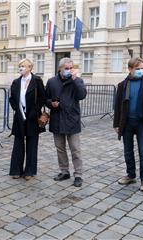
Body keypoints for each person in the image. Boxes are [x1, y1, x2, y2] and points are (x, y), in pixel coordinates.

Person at [114, 57, 143, 192]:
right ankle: (131, 175)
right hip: (127, 123)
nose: (140, 71)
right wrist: (116, 124)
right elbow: (118, 106)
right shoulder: (122, 85)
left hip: (142, 123)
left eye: (142, 68)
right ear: (130, 69)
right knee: (128, 151)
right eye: (137, 69)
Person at [45, 57, 87, 187]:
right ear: (60, 69)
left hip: (72, 119)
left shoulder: (77, 80)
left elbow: (82, 95)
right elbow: (46, 98)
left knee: (75, 149)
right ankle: (64, 171)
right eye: (66, 68)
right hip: (57, 118)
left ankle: (78, 174)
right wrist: (51, 104)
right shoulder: (52, 81)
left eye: (71, 68)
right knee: (60, 148)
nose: (69, 71)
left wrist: (75, 80)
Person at [8, 58, 45, 181]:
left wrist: (35, 109)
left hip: (33, 117)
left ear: (30, 67)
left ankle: (29, 171)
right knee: (18, 143)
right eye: (20, 66)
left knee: (32, 144)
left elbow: (42, 97)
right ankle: (16, 170)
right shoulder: (16, 82)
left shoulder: (37, 81)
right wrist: (17, 109)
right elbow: (12, 98)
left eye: (24, 66)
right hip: (19, 116)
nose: (21, 68)